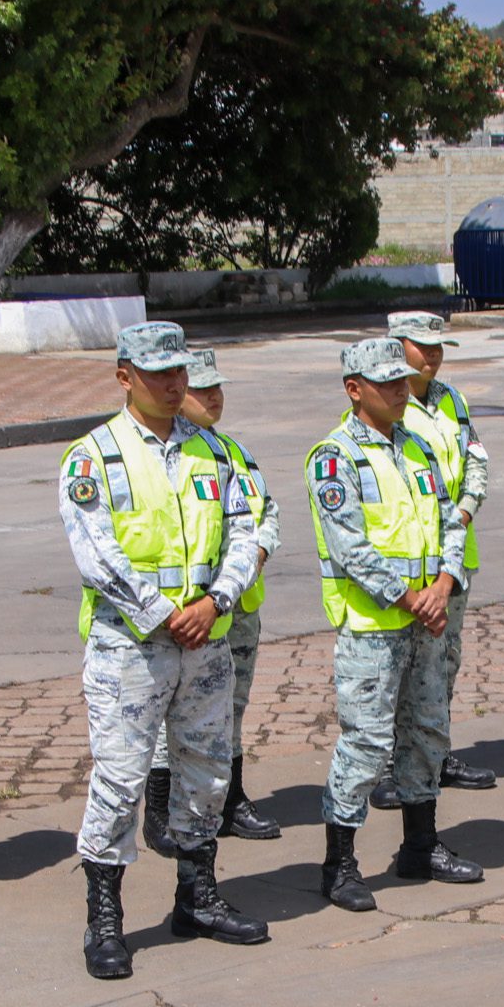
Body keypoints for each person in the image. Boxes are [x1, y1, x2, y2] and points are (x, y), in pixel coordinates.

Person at [60, 321, 267, 981]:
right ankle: (105, 917)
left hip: (205, 640)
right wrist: (162, 612)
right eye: (160, 374)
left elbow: (247, 531)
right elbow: (98, 554)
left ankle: (196, 896)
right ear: (126, 377)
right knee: (121, 781)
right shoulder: (93, 457)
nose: (176, 383)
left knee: (206, 771)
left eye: (180, 371)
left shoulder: (216, 453)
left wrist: (217, 601)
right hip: (132, 646)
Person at [308, 337, 482, 912]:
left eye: (403, 381)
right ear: (354, 390)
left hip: (428, 617)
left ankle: (421, 844)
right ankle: (339, 862)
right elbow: (350, 548)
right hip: (374, 626)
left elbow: (452, 520)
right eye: (386, 383)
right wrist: (412, 598)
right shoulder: (333, 458)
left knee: (428, 729)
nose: (401, 391)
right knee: (365, 742)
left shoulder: (420, 451)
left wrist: (444, 585)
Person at [139, 349, 282, 854]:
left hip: (237, 610)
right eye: (203, 390)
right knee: (168, 715)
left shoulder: (232, 453)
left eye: (217, 388)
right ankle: (159, 809)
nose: (214, 397)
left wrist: (256, 551)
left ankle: (230, 798)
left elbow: (268, 513)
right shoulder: (162, 457)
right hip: (185, 614)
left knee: (231, 707)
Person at [370, 310, 498, 806]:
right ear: (396, 345)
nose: (432, 355)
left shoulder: (452, 401)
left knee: (445, 661)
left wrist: (462, 514)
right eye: (421, 346)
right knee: (399, 671)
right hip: (405, 569)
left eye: (438, 346)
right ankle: (389, 764)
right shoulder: (385, 406)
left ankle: (435, 754)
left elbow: (477, 461)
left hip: (455, 554)